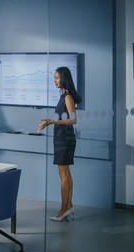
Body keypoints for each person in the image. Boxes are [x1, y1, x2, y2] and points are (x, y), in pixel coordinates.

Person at [37, 66, 82, 222]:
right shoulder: (63, 96)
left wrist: (52, 121)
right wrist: (50, 121)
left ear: (64, 78)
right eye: (54, 78)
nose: (54, 80)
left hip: (65, 139)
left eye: (56, 77)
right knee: (66, 174)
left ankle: (63, 210)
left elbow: (73, 119)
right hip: (62, 138)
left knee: (63, 175)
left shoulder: (67, 97)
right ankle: (69, 206)